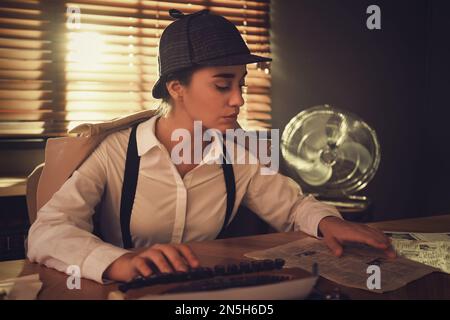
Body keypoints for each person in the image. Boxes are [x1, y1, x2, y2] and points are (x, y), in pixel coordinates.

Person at [27, 9, 395, 284]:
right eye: (222, 85)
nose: (238, 100)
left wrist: (327, 221)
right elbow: (47, 231)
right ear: (176, 88)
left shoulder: (241, 152)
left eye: (242, 84)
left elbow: (294, 207)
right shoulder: (114, 152)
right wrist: (115, 261)